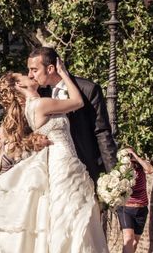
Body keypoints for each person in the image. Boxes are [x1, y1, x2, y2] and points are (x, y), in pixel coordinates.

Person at [0, 60, 123, 253]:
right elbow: (77, 102)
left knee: (69, 223)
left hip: (63, 163)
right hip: (63, 164)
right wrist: (64, 74)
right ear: (19, 86)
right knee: (72, 224)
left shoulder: (33, 105)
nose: (29, 75)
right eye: (23, 75)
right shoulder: (39, 103)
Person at [27, 47, 117, 184]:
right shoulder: (41, 96)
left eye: (34, 70)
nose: (30, 75)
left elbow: (102, 132)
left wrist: (112, 172)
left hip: (87, 167)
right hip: (55, 171)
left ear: (50, 69)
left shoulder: (88, 90)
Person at [116, 148, 153, 253]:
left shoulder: (141, 166)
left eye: (129, 156)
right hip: (125, 208)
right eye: (126, 156)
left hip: (141, 208)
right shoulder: (120, 171)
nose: (129, 159)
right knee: (128, 238)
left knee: (135, 242)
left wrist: (136, 156)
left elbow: (150, 170)